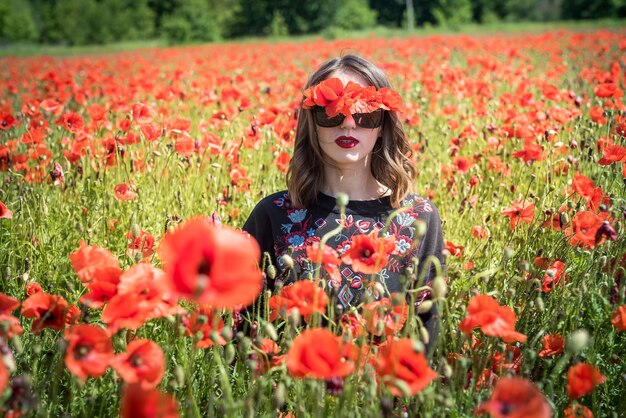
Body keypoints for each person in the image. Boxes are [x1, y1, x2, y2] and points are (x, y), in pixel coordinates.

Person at [242, 54, 445, 356]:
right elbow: (241, 323)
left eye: (366, 114)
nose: (349, 124)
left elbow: (425, 332)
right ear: (313, 123)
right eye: (331, 113)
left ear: (382, 125)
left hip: (381, 398)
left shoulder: (417, 219)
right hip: (289, 396)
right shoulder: (273, 214)